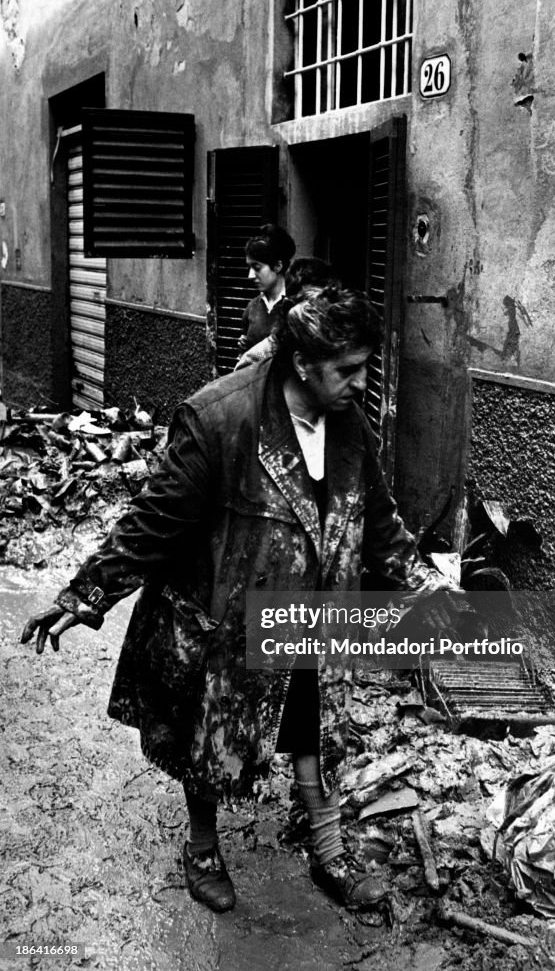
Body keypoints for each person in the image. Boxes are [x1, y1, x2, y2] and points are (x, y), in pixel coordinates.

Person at [21, 285, 453, 916]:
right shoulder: (220, 418)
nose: (362, 384)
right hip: (227, 618)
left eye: (365, 369)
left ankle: (328, 848)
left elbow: (381, 528)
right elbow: (155, 520)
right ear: (304, 363)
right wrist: (87, 591)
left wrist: (432, 591)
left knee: (311, 719)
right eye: (349, 370)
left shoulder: (350, 428)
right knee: (212, 732)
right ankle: (202, 844)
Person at [235, 255, 335, 371]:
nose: (321, 317)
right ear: (290, 307)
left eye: (327, 308)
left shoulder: (342, 348)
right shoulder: (261, 356)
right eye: (311, 308)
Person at [238, 224, 296, 355]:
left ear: (277, 266)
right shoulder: (252, 307)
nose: (250, 275)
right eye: (249, 267)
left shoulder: (295, 306)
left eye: (257, 267)